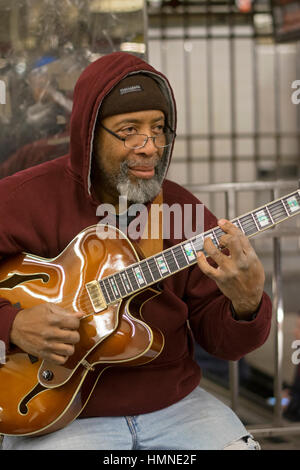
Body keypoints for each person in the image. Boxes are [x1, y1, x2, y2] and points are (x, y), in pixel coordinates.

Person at [0, 52, 272, 450]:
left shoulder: (186, 213)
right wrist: (12, 326)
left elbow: (224, 345)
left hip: (175, 405)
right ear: (89, 133)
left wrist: (246, 305)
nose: (149, 146)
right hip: (55, 411)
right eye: (129, 130)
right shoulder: (22, 199)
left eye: (159, 129)